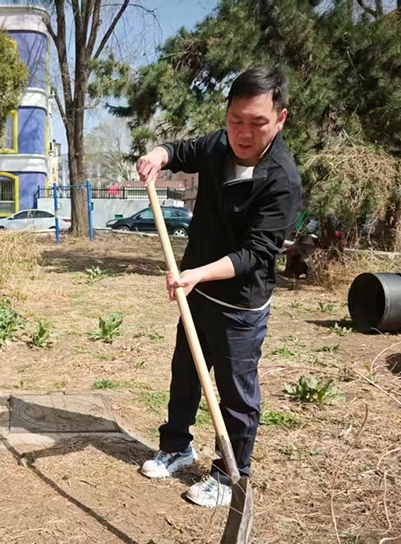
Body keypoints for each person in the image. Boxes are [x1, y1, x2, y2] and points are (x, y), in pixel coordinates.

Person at [135, 66, 301, 507]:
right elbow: (181, 149)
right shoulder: (217, 145)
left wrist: (195, 274)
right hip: (197, 292)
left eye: (257, 123)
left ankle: (230, 475)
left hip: (240, 306)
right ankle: (176, 446)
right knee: (185, 375)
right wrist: (158, 154)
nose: (243, 133)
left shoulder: (281, 180)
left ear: (280, 120)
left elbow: (255, 253)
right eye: (235, 120)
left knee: (236, 392)